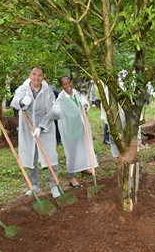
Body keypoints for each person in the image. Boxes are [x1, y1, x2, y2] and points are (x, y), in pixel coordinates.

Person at [11, 67, 62, 197]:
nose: (36, 78)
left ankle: (54, 185)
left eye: (39, 75)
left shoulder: (48, 92)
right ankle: (35, 185)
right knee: (31, 156)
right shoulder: (23, 90)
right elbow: (14, 102)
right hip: (28, 129)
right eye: (34, 74)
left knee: (51, 156)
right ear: (30, 75)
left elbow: (51, 112)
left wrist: (41, 127)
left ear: (43, 77)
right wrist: (22, 101)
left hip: (45, 128)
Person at [56, 75, 98, 187]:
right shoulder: (60, 99)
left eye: (69, 83)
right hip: (70, 129)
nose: (68, 86)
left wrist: (85, 104)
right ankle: (71, 177)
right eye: (64, 84)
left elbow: (83, 104)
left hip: (81, 126)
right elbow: (57, 114)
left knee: (83, 148)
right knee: (72, 154)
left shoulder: (76, 93)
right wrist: (55, 111)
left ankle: (83, 167)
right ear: (61, 86)